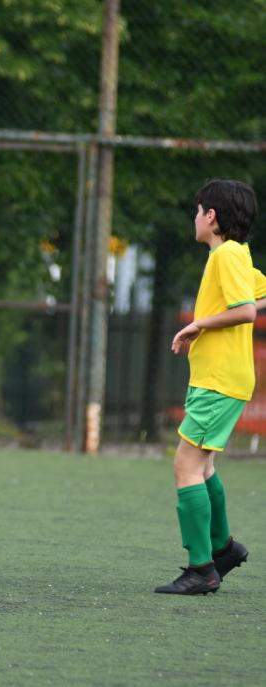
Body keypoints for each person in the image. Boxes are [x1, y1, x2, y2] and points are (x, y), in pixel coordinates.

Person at [159, 179, 259, 595]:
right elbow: (259, 296)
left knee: (185, 466)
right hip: (221, 378)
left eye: (198, 210)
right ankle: (224, 549)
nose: (195, 217)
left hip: (219, 380)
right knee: (204, 466)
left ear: (211, 216)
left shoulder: (226, 255)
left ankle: (202, 568)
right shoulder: (236, 256)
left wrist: (199, 323)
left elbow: (247, 311)